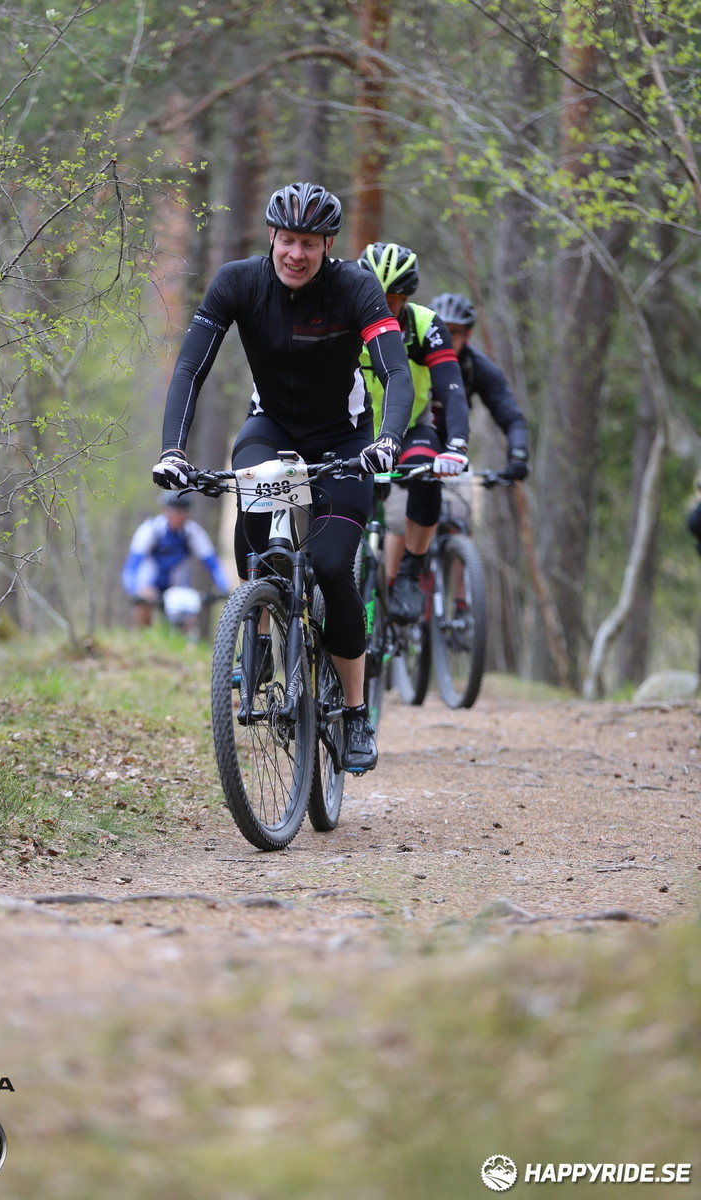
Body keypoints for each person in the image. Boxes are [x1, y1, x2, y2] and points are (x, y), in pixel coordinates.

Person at [152, 181, 415, 772]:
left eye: (310, 244)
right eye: (288, 240)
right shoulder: (238, 282)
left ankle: (354, 712)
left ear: (328, 246)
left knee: (331, 566)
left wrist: (388, 440)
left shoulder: (355, 287)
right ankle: (261, 624)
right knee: (256, 534)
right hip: (271, 429)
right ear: (272, 236)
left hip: (344, 439)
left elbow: (396, 373)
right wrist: (173, 450)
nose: (297, 254)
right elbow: (190, 369)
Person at [357, 243, 470, 624]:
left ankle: (411, 569)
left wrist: (456, 444)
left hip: (409, 428)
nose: (381, 308)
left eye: (391, 301)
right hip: (352, 428)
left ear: (405, 299)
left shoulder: (425, 325)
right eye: (375, 297)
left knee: (427, 471)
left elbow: (452, 388)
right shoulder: (345, 317)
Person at [429, 292, 530, 499]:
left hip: (453, 452)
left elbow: (512, 418)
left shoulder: (478, 367)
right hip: (409, 448)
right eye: (440, 329)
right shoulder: (410, 358)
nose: (445, 337)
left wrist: (518, 456)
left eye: (453, 332)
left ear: (467, 335)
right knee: (398, 514)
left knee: (459, 512)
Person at [121, 491, 229, 631]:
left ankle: (182, 642)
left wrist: (224, 587)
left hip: (177, 585)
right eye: (174, 511)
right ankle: (141, 639)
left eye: (182, 512)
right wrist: (135, 590)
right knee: (144, 605)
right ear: (165, 511)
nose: (178, 516)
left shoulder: (192, 532)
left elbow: (213, 563)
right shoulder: (150, 530)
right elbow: (131, 567)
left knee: (187, 614)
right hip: (149, 583)